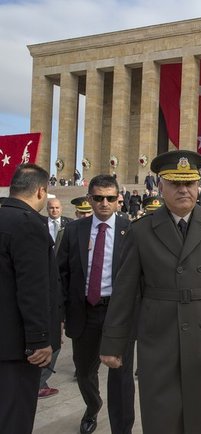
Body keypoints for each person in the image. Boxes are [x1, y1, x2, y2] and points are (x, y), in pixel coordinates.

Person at [100, 150, 201, 434]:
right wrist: (112, 344)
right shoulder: (141, 231)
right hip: (159, 337)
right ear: (160, 186)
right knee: (163, 418)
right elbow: (125, 292)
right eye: (175, 183)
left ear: (199, 186)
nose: (184, 190)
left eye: (190, 183)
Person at [58, 175, 134, 434]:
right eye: (99, 197)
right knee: (84, 370)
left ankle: (122, 428)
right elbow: (61, 274)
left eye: (110, 198)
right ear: (89, 199)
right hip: (84, 312)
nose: (104, 203)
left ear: (118, 201)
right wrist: (60, 313)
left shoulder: (130, 231)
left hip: (118, 314)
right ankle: (93, 406)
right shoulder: (73, 231)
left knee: (121, 376)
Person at [0, 164, 60, 434]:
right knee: (15, 419)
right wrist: (39, 341)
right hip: (17, 348)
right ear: (41, 191)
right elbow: (32, 288)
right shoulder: (29, 225)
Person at [39, 197, 71, 399]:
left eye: (58, 208)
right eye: (51, 208)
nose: (54, 211)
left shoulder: (68, 226)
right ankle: (39, 383)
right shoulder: (38, 224)